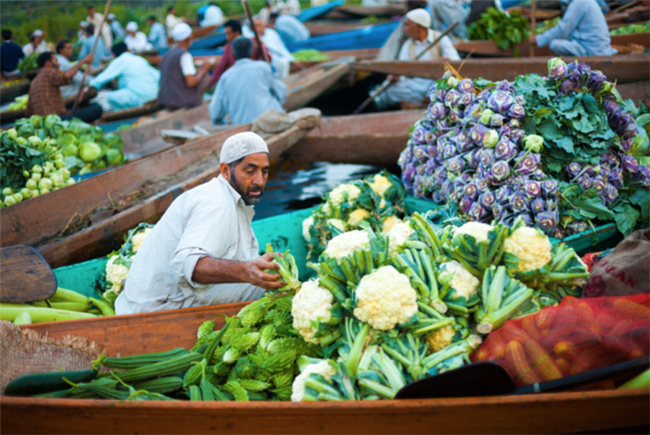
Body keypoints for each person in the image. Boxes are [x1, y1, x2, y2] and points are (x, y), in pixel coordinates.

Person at [115, 131, 284, 315]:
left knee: (262, 274)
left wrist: (249, 267)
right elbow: (187, 264)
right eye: (250, 171)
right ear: (226, 171)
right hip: (157, 309)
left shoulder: (229, 198)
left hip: (152, 301)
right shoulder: (215, 202)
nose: (259, 181)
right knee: (265, 286)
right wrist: (247, 271)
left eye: (264, 171)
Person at [374, 8, 460, 109]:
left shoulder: (441, 40)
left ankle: (432, 98)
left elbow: (456, 62)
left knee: (448, 89)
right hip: (414, 87)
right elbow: (403, 69)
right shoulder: (408, 45)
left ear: (418, 26)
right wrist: (396, 77)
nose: (405, 29)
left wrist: (447, 63)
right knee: (390, 91)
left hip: (434, 85)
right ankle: (424, 101)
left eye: (408, 25)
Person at [209, 37, 286, 125]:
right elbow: (281, 93)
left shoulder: (225, 77)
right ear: (252, 53)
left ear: (233, 56)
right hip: (270, 122)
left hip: (243, 127)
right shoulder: (262, 67)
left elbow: (215, 113)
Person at [26, 51, 103, 123]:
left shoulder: (33, 82)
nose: (59, 64)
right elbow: (67, 75)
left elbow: (29, 112)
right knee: (97, 108)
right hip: (58, 121)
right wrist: (83, 61)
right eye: (56, 60)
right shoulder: (48, 71)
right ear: (48, 64)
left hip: (45, 123)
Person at [85, 42, 160, 112]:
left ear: (114, 55)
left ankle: (126, 113)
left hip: (140, 98)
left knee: (107, 97)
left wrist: (86, 89)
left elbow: (99, 80)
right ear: (128, 50)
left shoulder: (119, 61)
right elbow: (157, 75)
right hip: (155, 95)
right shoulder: (139, 59)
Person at [530, 0, 617, 57]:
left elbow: (562, 30)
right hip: (599, 47)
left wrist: (538, 39)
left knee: (554, 44)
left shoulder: (578, 3)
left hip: (591, 50)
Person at [158, 23, 212, 110]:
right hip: (179, 102)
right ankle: (195, 103)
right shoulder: (185, 55)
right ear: (189, 38)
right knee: (205, 77)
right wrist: (203, 70)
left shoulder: (167, 54)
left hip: (165, 100)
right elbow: (190, 82)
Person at [209, 19, 272, 87]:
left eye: (228, 34)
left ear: (236, 32)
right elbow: (221, 67)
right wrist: (210, 82)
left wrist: (261, 48)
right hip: (239, 82)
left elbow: (269, 59)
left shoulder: (252, 42)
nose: (226, 37)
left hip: (256, 79)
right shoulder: (228, 48)